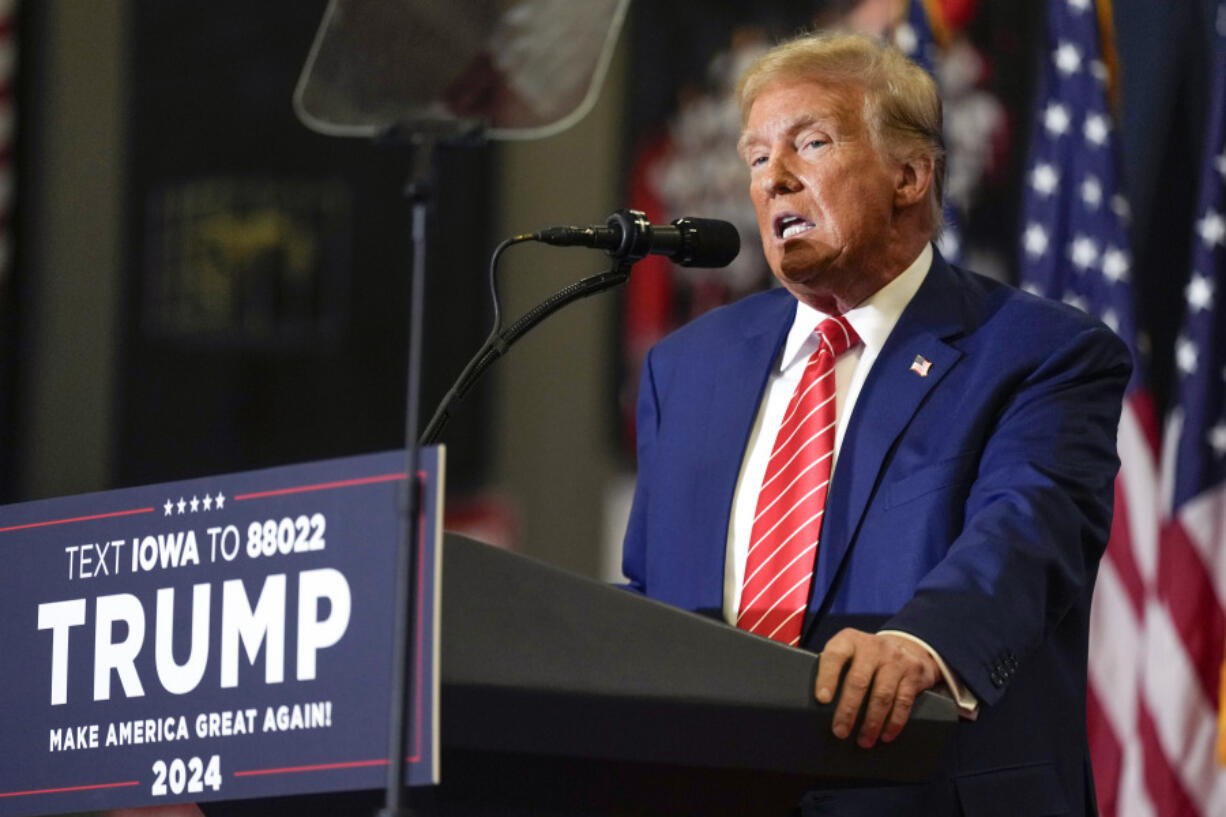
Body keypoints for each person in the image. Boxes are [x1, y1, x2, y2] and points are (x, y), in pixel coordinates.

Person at [621, 32, 1131, 816]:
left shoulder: (1038, 354)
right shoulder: (686, 369)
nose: (773, 179)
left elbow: (1027, 531)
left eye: (811, 143)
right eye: (756, 159)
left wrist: (922, 642)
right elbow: (649, 602)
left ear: (909, 173)